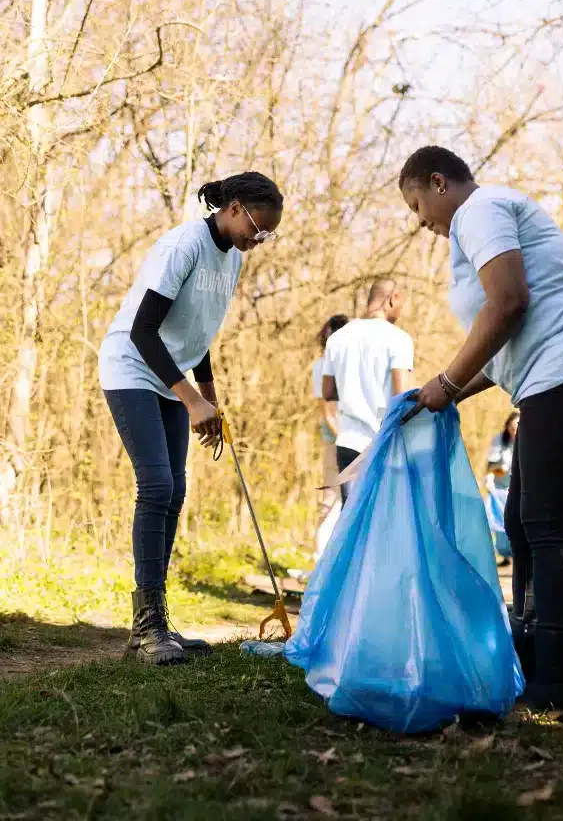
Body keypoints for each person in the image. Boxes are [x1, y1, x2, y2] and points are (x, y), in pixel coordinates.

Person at [399, 145, 563, 712]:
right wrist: (440, 388)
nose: (420, 221)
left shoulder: (480, 211)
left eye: (416, 205)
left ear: (438, 182)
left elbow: (508, 304)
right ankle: (528, 655)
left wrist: (448, 383)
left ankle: (557, 683)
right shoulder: (483, 221)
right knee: (521, 519)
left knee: (546, 523)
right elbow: (504, 348)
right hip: (560, 376)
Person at [99, 172, 283, 665]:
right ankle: (147, 626)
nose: (259, 240)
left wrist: (209, 398)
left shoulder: (234, 260)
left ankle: (153, 621)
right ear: (235, 207)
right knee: (156, 485)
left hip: (173, 374)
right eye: (257, 229)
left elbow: (199, 330)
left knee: (176, 490)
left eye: (267, 235)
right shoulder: (183, 246)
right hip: (131, 367)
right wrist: (190, 400)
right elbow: (142, 330)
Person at [322, 279, 414, 505]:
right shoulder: (399, 338)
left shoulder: (338, 337)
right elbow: (400, 397)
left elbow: (327, 391)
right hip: (381, 446)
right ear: (393, 299)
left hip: (347, 443)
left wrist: (353, 389)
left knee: (352, 522)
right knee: (382, 521)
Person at [312, 315, 349, 558]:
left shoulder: (342, 365)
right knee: (332, 499)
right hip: (335, 442)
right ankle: (321, 559)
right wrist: (343, 439)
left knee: (343, 501)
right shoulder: (324, 366)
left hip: (346, 439)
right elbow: (328, 412)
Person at [485, 411, 519, 567]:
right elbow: (491, 465)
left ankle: (519, 553)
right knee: (500, 522)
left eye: (517, 427)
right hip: (500, 488)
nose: (514, 431)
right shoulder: (499, 440)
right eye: (512, 428)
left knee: (517, 522)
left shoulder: (527, 440)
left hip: (519, 488)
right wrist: (497, 470)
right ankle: (505, 554)